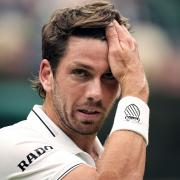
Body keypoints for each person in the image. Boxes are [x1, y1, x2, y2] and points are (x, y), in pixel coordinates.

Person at [0, 1, 150, 179]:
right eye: (81, 73)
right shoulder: (10, 144)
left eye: (109, 76)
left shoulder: (108, 161)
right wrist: (135, 90)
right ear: (47, 75)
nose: (95, 93)